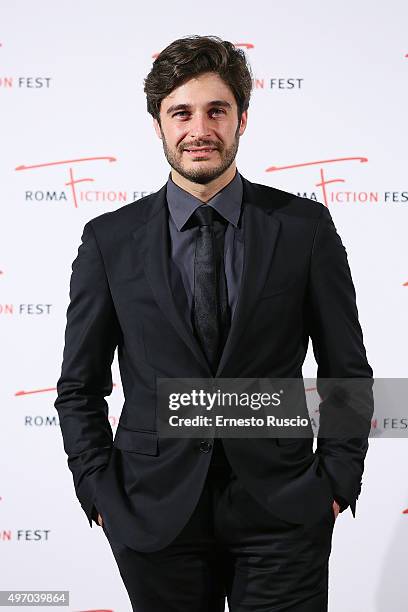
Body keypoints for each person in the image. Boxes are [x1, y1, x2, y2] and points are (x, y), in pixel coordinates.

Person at [54, 35, 373, 612]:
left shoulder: (304, 228)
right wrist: (99, 489)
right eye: (181, 112)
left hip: (283, 510)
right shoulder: (109, 240)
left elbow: (346, 368)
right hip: (152, 514)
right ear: (159, 124)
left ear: (241, 119)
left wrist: (336, 481)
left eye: (216, 110)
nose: (199, 128)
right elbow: (79, 386)